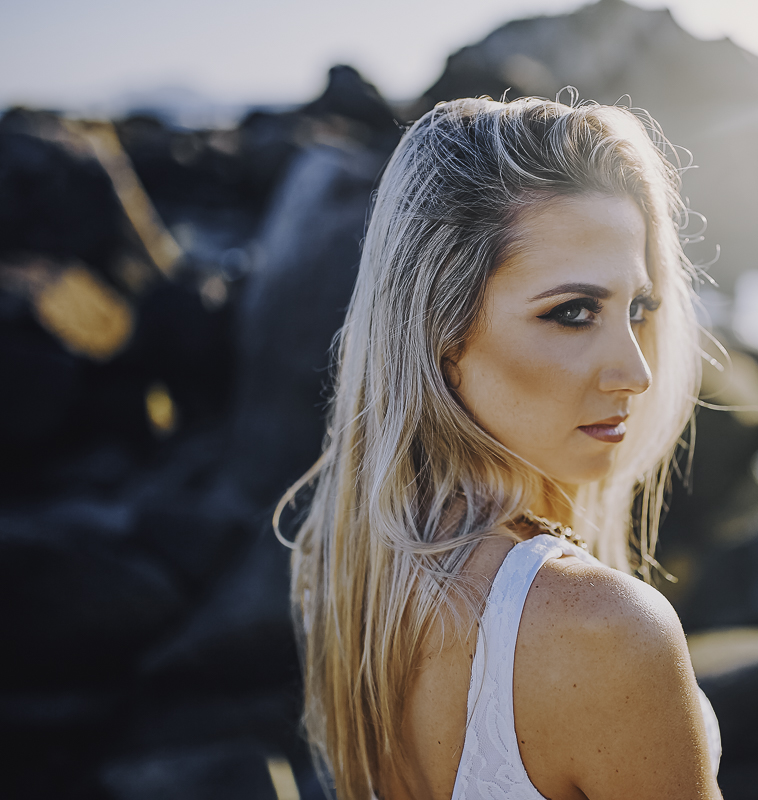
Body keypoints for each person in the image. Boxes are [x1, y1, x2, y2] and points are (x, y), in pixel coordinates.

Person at [276, 95, 723, 800]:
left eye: (637, 309)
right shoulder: (607, 631)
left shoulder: (341, 561)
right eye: (573, 313)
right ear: (442, 336)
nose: (636, 372)